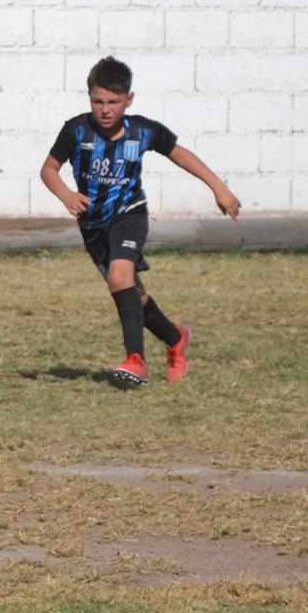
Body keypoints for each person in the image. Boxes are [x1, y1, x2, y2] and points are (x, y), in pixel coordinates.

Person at [40, 56, 242, 387]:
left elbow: (179, 153)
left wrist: (218, 188)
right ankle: (176, 338)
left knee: (121, 276)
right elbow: (48, 169)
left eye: (114, 102)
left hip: (129, 214)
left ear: (128, 100)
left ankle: (136, 360)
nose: (105, 109)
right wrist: (65, 194)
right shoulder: (76, 130)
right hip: (93, 226)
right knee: (134, 295)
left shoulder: (143, 131)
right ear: (89, 97)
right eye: (98, 101)